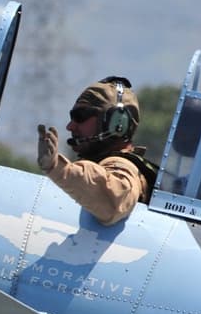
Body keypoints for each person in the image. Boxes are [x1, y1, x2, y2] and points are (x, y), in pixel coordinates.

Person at [36, 76, 158, 226]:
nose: (70, 126)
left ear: (116, 123)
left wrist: (58, 168)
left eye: (80, 116)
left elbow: (114, 202)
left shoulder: (123, 167)